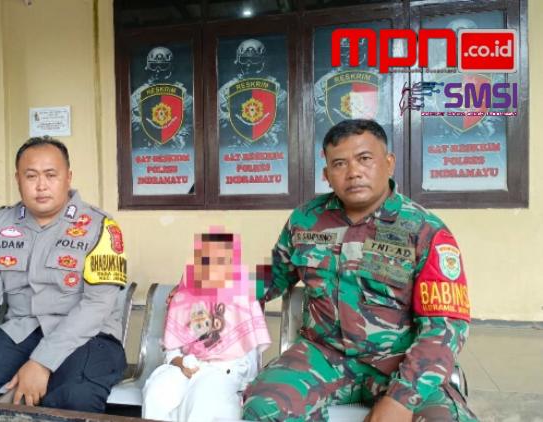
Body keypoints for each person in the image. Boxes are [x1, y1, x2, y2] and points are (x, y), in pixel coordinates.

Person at [242, 119, 476, 421]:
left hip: (401, 362)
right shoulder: (305, 220)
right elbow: (272, 277)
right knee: (262, 408)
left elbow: (445, 328)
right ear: (327, 175)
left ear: (389, 163)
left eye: (364, 159)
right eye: (339, 164)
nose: (353, 172)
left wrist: (401, 400)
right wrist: (209, 290)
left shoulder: (425, 230)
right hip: (322, 357)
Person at [0, 137, 128, 413]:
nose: (41, 185)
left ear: (68, 177)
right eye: (31, 176)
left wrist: (41, 362)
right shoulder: (2, 223)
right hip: (21, 331)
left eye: (51, 175)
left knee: (73, 397)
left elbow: (97, 306)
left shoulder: (100, 227)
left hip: (90, 336)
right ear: (18, 179)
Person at [142, 230, 271, 422]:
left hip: (224, 371)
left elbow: (248, 363)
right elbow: (171, 351)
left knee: (201, 401)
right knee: (157, 392)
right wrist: (182, 364)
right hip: (186, 366)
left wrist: (218, 368)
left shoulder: (242, 299)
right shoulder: (184, 295)